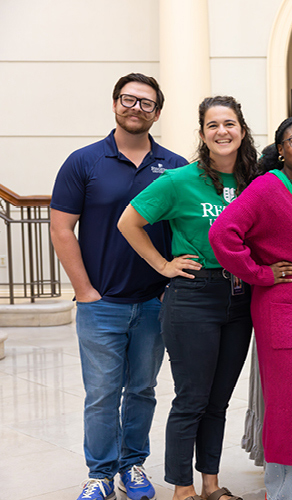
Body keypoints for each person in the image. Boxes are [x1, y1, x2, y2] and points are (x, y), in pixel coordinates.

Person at [50, 73, 187, 500]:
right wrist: (85, 290)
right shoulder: (84, 161)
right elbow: (60, 229)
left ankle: (133, 466)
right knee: (102, 392)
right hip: (101, 303)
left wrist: (169, 284)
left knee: (143, 389)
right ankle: (100, 472)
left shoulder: (176, 165)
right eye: (129, 100)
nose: (136, 108)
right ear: (114, 104)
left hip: (153, 303)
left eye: (147, 104)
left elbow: (184, 227)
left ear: (157, 113)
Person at [117, 96, 260, 500]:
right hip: (194, 296)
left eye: (229, 123)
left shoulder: (253, 182)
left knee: (218, 401)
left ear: (242, 130)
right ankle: (183, 489)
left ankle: (211, 484)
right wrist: (162, 265)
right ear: (202, 134)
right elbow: (129, 221)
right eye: (213, 125)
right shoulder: (180, 180)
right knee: (191, 399)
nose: (222, 132)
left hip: (240, 297)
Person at [208, 116, 292, 500]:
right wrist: (259, 273)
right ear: (281, 149)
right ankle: (286, 494)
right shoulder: (268, 186)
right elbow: (222, 233)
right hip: (285, 316)